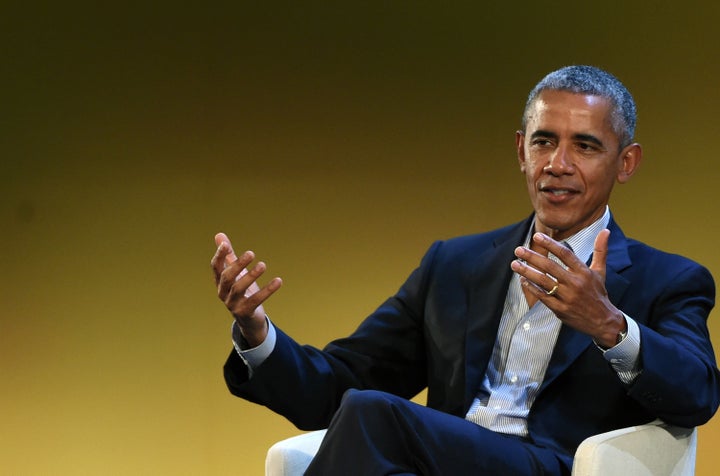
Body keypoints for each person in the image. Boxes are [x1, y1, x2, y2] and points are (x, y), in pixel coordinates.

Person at [211, 65, 720, 475]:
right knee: (364, 416)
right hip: (443, 460)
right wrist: (258, 337)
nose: (557, 164)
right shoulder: (454, 265)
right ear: (521, 150)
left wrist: (608, 325)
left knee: (372, 414)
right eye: (543, 142)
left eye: (585, 146)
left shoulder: (670, 280)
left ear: (625, 163)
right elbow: (339, 386)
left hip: (555, 464)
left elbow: (697, 394)